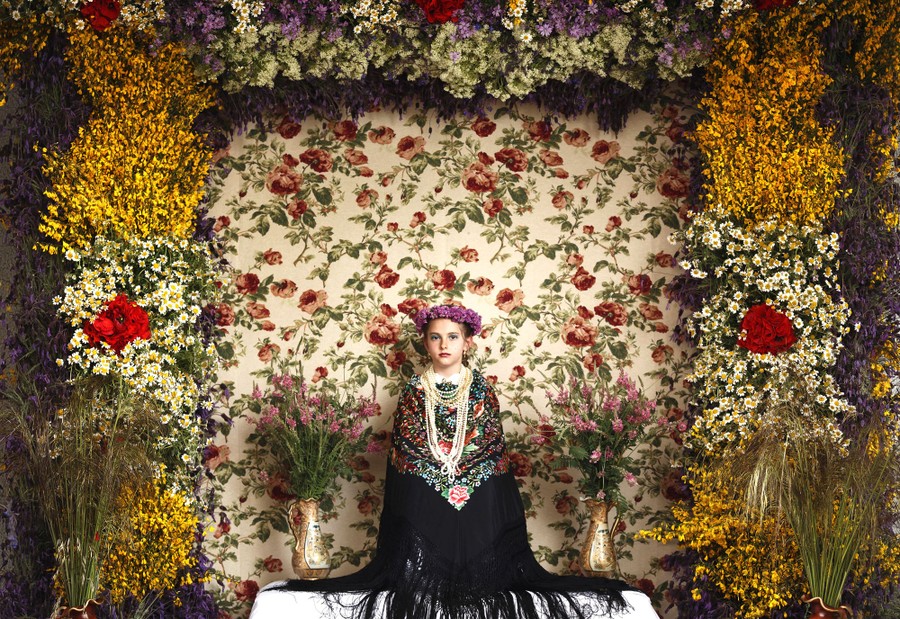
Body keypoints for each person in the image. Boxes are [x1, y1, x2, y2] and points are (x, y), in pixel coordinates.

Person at [272, 305, 636, 619]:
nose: (443, 345)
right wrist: (439, 474)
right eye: (435, 337)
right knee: (415, 486)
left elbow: (490, 444)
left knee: (487, 486)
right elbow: (408, 445)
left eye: (452, 337)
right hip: (427, 477)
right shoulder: (414, 389)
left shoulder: (481, 389)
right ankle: (426, 576)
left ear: (467, 342)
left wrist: (461, 477)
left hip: (474, 478)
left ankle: (478, 578)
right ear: (425, 343)